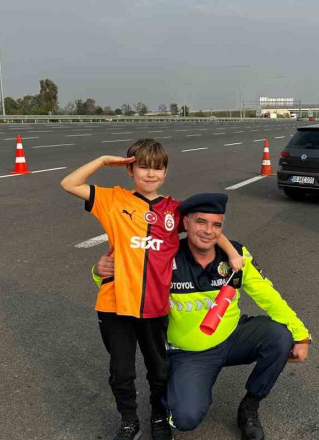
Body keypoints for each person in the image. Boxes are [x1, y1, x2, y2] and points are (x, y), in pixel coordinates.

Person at [60, 139, 243, 440]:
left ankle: (159, 414)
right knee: (121, 372)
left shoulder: (174, 209)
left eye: (157, 168)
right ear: (129, 169)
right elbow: (69, 183)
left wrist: (231, 252)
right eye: (142, 166)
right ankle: (129, 420)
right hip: (115, 304)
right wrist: (105, 160)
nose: (150, 174)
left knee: (158, 369)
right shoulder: (113, 200)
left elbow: (206, 227)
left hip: (156, 306)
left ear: (166, 172)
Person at [93, 193, 311, 440]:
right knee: (184, 418)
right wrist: (100, 271)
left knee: (281, 337)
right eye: (201, 222)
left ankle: (250, 406)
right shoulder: (164, 255)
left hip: (231, 337)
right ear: (185, 223)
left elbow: (268, 295)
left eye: (216, 225)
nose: (208, 231)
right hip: (189, 353)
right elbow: (126, 280)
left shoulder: (235, 255)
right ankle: (175, 395)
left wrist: (301, 334)